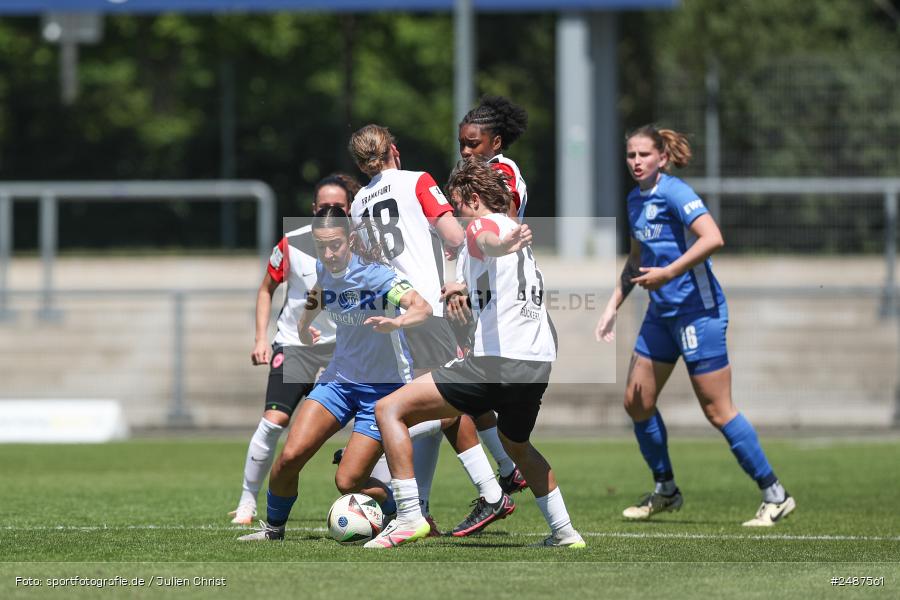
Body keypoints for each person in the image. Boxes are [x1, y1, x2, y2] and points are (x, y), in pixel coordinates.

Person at [363, 157, 585, 549]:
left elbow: (486, 239)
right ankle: (565, 532)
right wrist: (463, 288)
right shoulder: (516, 232)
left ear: (474, 197)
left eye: (457, 202)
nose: (453, 211)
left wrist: (497, 245)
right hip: (536, 364)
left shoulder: (483, 226)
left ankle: (410, 517)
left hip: (496, 363)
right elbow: (497, 274)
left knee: (389, 410)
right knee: (516, 444)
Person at [594, 125, 795, 527]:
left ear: (662, 158)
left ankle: (776, 495)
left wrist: (668, 272)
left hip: (697, 312)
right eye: (630, 155)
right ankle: (666, 489)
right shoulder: (635, 199)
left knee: (717, 410)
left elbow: (713, 237)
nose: (636, 162)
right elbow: (636, 262)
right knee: (637, 402)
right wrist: (612, 306)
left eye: (644, 155)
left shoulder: (675, 192)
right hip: (660, 314)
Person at [348, 124, 516, 537]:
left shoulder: (356, 205)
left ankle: (493, 487)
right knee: (439, 404)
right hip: (430, 308)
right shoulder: (417, 180)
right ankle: (495, 484)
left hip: (402, 314)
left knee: (437, 404)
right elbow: (455, 235)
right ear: (395, 151)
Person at [238, 206, 440, 542]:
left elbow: (422, 307)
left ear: (350, 239)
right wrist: (303, 326)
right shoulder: (324, 264)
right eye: (322, 247)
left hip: (383, 391)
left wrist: (398, 321)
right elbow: (319, 290)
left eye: (335, 245)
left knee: (347, 482)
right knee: (289, 456)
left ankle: (397, 507)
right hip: (339, 380)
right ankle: (273, 530)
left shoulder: (376, 276)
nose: (329, 254)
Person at [227, 174, 359, 525]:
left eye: (340, 207)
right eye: (325, 206)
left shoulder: (362, 246)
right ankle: (246, 502)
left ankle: (391, 503)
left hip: (343, 349)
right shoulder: (292, 243)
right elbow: (266, 288)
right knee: (274, 422)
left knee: (372, 421)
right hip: (296, 345)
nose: (332, 210)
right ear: (314, 210)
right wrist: (260, 338)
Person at [444, 95, 533, 495]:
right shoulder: (473, 177)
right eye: (462, 143)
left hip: (498, 299)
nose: (466, 150)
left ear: (495, 143)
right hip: (478, 291)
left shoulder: (503, 171)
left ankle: (498, 478)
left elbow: (501, 222)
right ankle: (504, 471)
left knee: (438, 401)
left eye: (473, 143)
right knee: (459, 401)